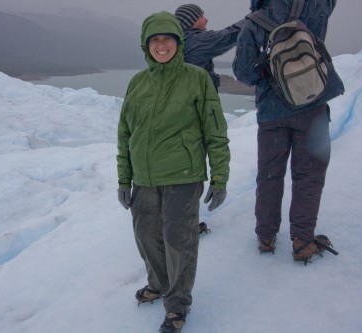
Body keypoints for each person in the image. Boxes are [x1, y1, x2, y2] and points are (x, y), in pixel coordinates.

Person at [116, 11, 230, 333]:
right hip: (145, 179)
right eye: (155, 40)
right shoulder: (138, 83)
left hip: (183, 175)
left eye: (168, 39)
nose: (162, 45)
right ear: (146, 45)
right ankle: (159, 282)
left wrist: (219, 176)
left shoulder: (196, 77)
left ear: (178, 43)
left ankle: (177, 305)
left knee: (179, 242)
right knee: (145, 236)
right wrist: (125, 179)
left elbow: (215, 131)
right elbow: (125, 134)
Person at [232, 0, 344, 262]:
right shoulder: (317, 7)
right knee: (308, 176)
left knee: (270, 174)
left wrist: (271, 75)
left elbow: (245, 73)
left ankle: (266, 237)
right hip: (311, 107)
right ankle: (303, 242)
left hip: (272, 112)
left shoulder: (255, 21)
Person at [174, 4, 243, 91]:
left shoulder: (179, 41)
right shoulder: (196, 41)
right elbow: (229, 35)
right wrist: (257, 18)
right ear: (190, 20)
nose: (206, 19)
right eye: (201, 16)